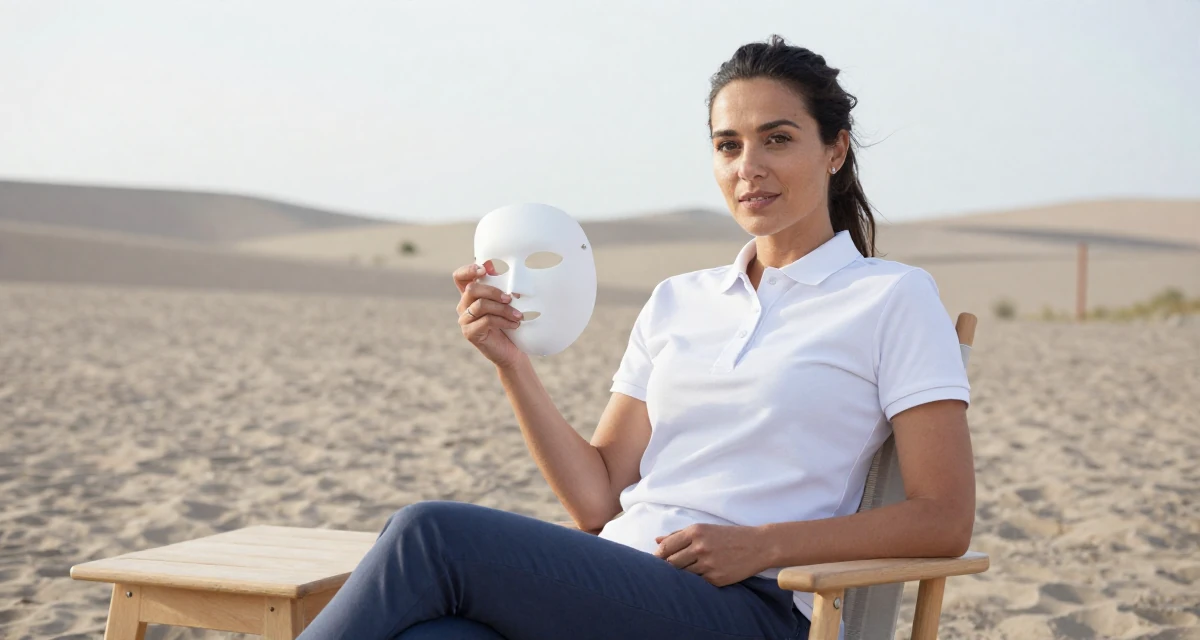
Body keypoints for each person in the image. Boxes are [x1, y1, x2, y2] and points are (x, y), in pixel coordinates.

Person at [298, 35, 974, 640]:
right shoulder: (679, 300)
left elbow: (944, 519)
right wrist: (510, 364)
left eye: (777, 139)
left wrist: (763, 547)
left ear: (834, 149)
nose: (748, 167)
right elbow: (596, 499)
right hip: (621, 580)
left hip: (752, 606)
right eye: (727, 145)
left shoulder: (890, 297)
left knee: (428, 534)